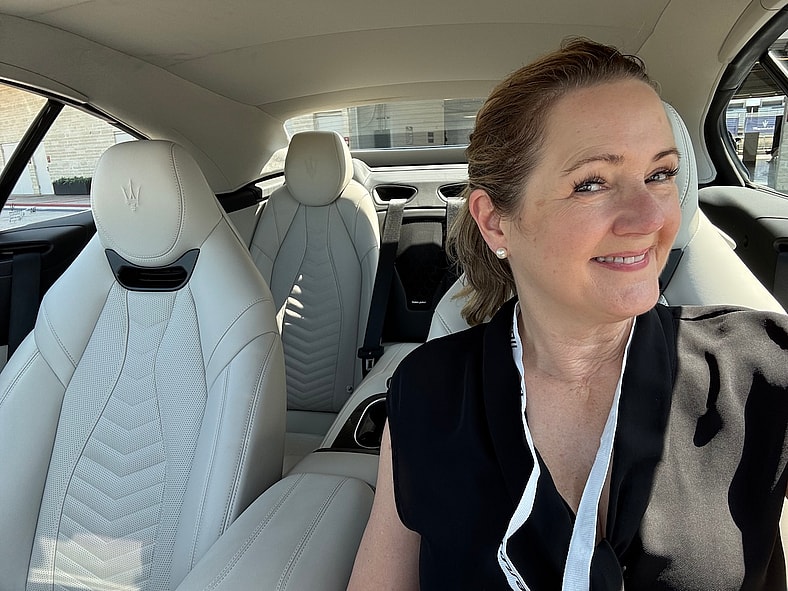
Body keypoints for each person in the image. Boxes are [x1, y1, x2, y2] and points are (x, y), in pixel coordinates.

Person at [347, 38, 788, 590]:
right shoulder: (427, 391)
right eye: (591, 183)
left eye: (661, 173)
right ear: (495, 221)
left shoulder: (764, 371)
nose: (650, 217)